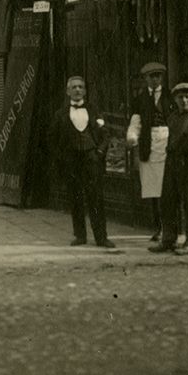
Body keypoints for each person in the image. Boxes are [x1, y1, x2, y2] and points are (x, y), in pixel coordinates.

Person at [50, 75, 117, 249]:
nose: (78, 90)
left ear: (85, 91)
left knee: (96, 197)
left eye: (81, 87)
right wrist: (63, 157)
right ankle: (80, 235)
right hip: (72, 160)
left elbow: (106, 134)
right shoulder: (60, 114)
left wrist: (100, 152)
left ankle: (101, 237)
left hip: (91, 159)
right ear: (68, 91)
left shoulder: (94, 110)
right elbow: (52, 139)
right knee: (75, 196)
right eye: (74, 87)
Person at [150, 83, 188, 255]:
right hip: (172, 163)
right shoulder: (172, 118)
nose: (184, 100)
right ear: (175, 99)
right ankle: (168, 239)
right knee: (168, 201)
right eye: (180, 97)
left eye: (187, 97)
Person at [125, 61, 171, 240]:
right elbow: (136, 123)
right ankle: (158, 228)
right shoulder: (139, 99)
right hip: (148, 147)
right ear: (145, 78)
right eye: (151, 76)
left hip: (168, 147)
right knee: (154, 191)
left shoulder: (170, 96)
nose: (155, 79)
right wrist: (132, 136)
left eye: (158, 75)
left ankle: (171, 228)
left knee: (169, 190)